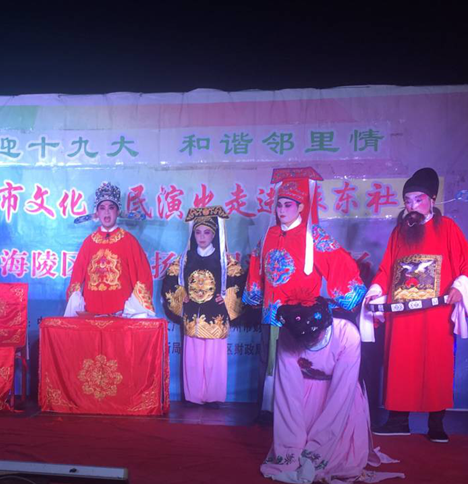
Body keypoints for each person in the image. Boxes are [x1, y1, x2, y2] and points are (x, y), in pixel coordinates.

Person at [363, 167, 468, 442]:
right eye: (407, 201)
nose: (411, 206)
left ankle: (436, 424)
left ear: (432, 199)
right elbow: (386, 268)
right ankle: (398, 420)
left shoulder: (448, 228)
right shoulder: (400, 232)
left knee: (437, 363)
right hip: (402, 314)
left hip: (436, 312)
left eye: (418, 200)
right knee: (400, 363)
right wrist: (375, 290)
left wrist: (460, 286)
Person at [244, 167, 366, 414]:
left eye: (288, 205)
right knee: (268, 359)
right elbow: (257, 266)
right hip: (272, 311)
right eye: (279, 205)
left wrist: (348, 295)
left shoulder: (313, 235)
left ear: (301, 207)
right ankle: (268, 410)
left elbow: (339, 261)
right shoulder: (269, 235)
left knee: (296, 361)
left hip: (301, 314)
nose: (281, 210)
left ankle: (295, 411)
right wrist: (255, 293)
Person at [261, 297, 404, 484]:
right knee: (291, 454)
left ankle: (325, 451)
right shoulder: (289, 333)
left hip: (340, 395)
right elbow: (288, 394)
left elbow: (342, 392)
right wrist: (291, 449)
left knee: (339, 463)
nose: (310, 340)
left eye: (315, 334)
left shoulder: (347, 334)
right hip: (304, 393)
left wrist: (317, 449)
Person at [162, 206, 245, 406]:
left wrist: (227, 298)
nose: (201, 237)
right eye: (198, 232)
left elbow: (240, 283)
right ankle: (193, 397)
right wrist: (181, 295)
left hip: (216, 315)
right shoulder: (185, 259)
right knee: (193, 358)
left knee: (214, 359)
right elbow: (170, 280)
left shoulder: (225, 260)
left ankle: (214, 396)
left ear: (214, 234)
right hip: (192, 316)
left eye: (207, 232)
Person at [64, 182, 155, 318]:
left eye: (111, 207)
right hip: (91, 315)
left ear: (117, 211)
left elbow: (143, 277)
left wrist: (130, 309)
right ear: (97, 213)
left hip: (122, 315)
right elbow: (76, 279)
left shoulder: (129, 241)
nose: (106, 212)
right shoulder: (89, 243)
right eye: (102, 208)